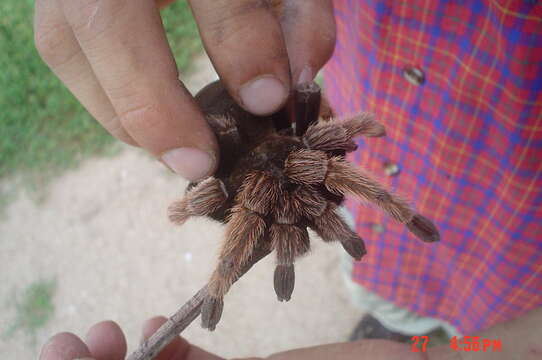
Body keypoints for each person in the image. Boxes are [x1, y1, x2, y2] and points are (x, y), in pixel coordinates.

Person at [34, 0, 541, 359]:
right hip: (256, 135)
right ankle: (396, 317)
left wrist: (356, 133)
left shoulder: (310, 156)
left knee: (327, 204)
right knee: (328, 231)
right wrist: (209, 258)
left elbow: (331, 141)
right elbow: (290, 144)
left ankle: (439, 326)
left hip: (502, 204)